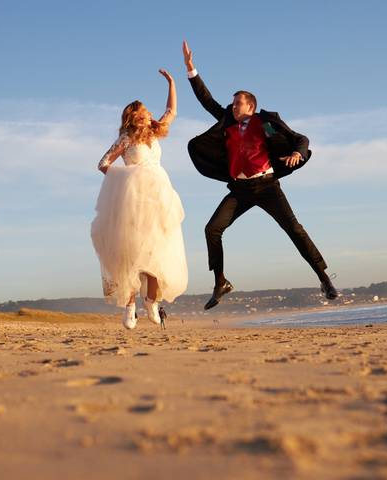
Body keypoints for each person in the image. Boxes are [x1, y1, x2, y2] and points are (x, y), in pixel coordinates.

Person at [181, 40, 337, 310]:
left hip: (267, 186)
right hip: (240, 189)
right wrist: (191, 70)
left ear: (250, 106)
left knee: (294, 229)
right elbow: (207, 101)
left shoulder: (265, 122)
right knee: (212, 229)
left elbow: (300, 138)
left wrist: (298, 153)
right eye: (232, 104)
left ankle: (324, 278)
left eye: (238, 104)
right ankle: (220, 282)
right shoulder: (227, 122)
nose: (233, 107)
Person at [91, 69, 188, 329]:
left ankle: (151, 302)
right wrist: (127, 179)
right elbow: (103, 163)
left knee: (158, 252)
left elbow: (171, 111)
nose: (148, 115)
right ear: (135, 117)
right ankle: (130, 306)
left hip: (158, 198)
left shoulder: (155, 133)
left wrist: (172, 83)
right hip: (132, 202)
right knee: (130, 254)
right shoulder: (125, 139)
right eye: (144, 112)